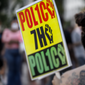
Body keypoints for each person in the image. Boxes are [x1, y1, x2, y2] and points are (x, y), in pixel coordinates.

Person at [52, 11, 85, 85]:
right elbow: (70, 47)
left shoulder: (66, 79)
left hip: (57, 63)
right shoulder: (66, 32)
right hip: (67, 60)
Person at [2, 16, 22, 85]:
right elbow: (4, 39)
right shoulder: (7, 31)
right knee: (11, 70)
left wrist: (11, 40)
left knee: (17, 70)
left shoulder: (19, 32)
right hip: (9, 52)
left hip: (17, 52)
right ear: (11, 23)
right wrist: (15, 41)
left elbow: (21, 40)